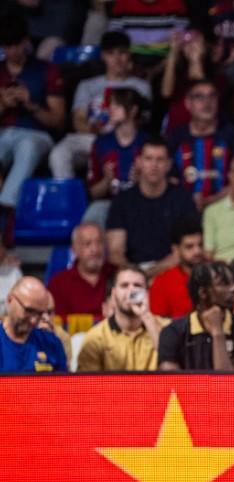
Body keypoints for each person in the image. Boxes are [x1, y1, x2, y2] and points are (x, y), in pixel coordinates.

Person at [49, 31, 151, 179]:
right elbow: (78, 119)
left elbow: (144, 121)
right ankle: (69, 199)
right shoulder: (87, 85)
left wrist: (120, 125)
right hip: (91, 138)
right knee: (59, 153)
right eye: (111, 53)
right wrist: (91, 128)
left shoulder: (141, 87)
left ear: (129, 54)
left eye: (122, 53)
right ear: (103, 56)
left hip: (127, 139)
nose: (117, 59)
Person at [0, 15, 63, 241]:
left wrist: (31, 105)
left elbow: (58, 120)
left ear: (26, 42)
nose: (12, 51)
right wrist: (3, 105)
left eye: (17, 45)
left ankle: (5, 211)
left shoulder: (46, 70)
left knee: (27, 146)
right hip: (3, 134)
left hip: (37, 135)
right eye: (7, 46)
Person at [105, 136, 200, 276]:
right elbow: (115, 253)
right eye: (148, 159)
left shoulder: (183, 200)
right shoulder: (122, 201)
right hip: (132, 272)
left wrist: (150, 273)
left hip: (172, 272)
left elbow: (187, 249)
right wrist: (138, 275)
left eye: (160, 160)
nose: (154, 165)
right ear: (139, 162)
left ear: (168, 164)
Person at [157, 261, 234, 371]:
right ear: (203, 293)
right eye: (224, 283)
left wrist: (217, 333)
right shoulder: (173, 332)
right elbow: (171, 382)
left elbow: (230, 384)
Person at [167, 80, 234, 210]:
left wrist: (212, 200)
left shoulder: (231, 136)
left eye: (212, 96)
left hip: (225, 208)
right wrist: (189, 200)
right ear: (188, 103)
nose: (207, 103)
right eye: (199, 97)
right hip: (182, 209)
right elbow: (169, 180)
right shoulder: (176, 138)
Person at [76, 266, 168, 372]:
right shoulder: (95, 338)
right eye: (124, 286)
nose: (131, 291)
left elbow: (176, 367)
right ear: (114, 293)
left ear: (147, 293)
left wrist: (145, 315)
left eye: (137, 285)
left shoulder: (166, 328)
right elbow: (87, 384)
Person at [85, 88, 146, 226]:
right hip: (109, 203)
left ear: (133, 110)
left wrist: (140, 180)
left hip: (141, 203)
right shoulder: (101, 143)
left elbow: (160, 188)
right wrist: (107, 180)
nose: (110, 109)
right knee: (95, 211)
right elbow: (93, 193)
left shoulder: (147, 143)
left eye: (117, 105)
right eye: (111, 105)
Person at [47, 222, 116, 318]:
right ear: (74, 250)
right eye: (87, 244)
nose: (95, 249)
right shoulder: (59, 283)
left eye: (99, 242)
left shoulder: (118, 275)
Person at [0, 276, 67, 373]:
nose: (33, 320)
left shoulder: (51, 343)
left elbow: (63, 386)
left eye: (39, 313)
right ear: (10, 300)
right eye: (29, 311)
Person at [149, 215, 206, 319]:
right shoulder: (162, 282)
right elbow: (158, 322)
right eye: (189, 247)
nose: (197, 251)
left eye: (200, 245)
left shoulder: (214, 276)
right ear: (176, 249)